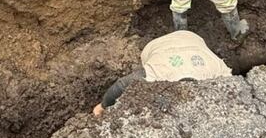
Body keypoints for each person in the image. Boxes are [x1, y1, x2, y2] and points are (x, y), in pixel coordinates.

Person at [92, 30, 231, 115]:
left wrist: (103, 106)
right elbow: (122, 85)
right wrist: (102, 106)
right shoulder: (157, 72)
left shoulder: (216, 70)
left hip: (192, 39)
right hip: (157, 46)